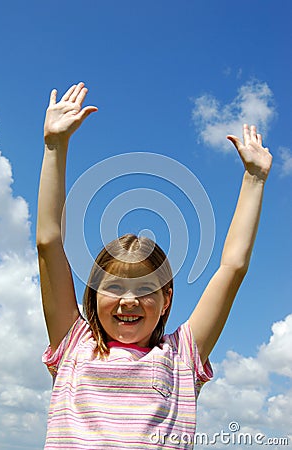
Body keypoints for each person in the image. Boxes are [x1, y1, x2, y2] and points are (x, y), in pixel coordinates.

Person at [37, 82, 272, 449]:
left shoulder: (182, 357)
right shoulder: (73, 345)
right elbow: (48, 242)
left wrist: (254, 179)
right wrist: (55, 146)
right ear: (93, 295)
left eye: (145, 289)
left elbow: (232, 267)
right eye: (114, 287)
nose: (128, 300)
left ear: (166, 299)